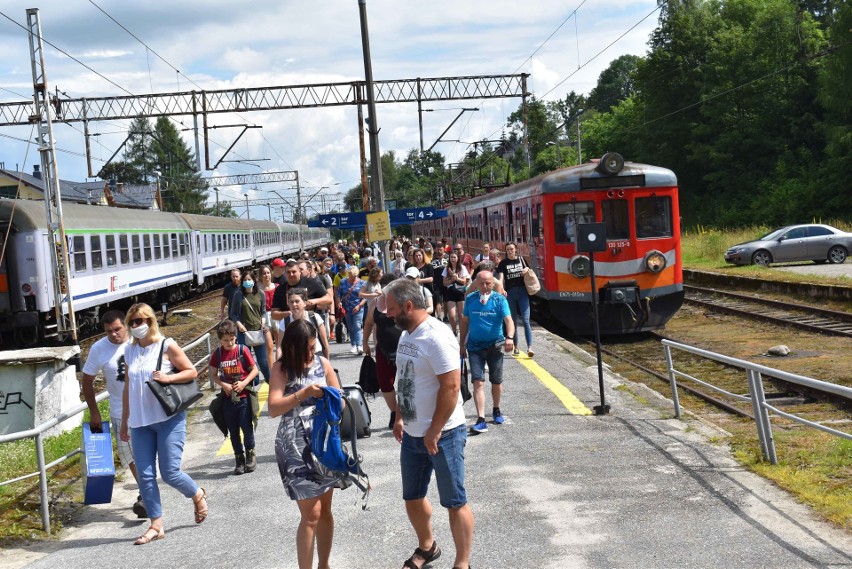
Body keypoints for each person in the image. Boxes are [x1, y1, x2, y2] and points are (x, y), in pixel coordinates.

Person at [382, 278, 473, 569]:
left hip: (443, 434)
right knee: (412, 497)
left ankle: (462, 562)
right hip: (412, 433)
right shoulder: (408, 334)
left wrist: (434, 430)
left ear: (409, 306)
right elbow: (404, 379)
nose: (388, 314)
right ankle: (428, 547)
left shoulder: (437, 336)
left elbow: (451, 387)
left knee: (454, 500)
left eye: (392, 308)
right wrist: (399, 417)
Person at [119, 303, 207, 545]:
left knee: (170, 473)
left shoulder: (166, 345)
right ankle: (156, 525)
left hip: (168, 419)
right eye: (132, 322)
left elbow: (191, 371)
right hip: (140, 422)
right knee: (145, 477)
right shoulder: (129, 351)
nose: (136, 326)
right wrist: (125, 419)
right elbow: (128, 386)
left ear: (151, 321)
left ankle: (197, 493)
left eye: (140, 321)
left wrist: (169, 377)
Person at [268, 318, 350, 569]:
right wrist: (303, 394)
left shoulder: (322, 363)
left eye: (313, 347)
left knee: (325, 511)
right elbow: (273, 408)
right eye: (307, 348)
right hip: (295, 446)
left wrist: (332, 397)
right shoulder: (281, 369)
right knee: (311, 515)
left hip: (323, 443)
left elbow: (343, 401)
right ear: (292, 347)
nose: (311, 353)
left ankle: (324, 564)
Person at [82, 310, 146, 518]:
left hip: (146, 407)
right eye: (109, 331)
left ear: (126, 326)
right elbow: (87, 381)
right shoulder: (99, 348)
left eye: (117, 329)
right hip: (120, 413)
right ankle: (145, 494)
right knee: (130, 456)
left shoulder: (139, 341)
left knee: (147, 454)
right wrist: (94, 412)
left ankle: (147, 494)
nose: (114, 334)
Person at [459, 270, 515, 433]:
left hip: (495, 345)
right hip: (475, 347)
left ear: (493, 283)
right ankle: (481, 418)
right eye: (481, 283)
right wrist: (461, 344)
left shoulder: (499, 300)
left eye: (488, 283)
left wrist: (509, 337)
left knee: (496, 381)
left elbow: (509, 320)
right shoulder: (470, 299)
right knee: (478, 382)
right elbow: (465, 323)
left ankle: (496, 409)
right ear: (475, 284)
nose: (485, 287)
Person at [209, 320, 259, 475]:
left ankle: (250, 454)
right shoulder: (217, 354)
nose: (229, 343)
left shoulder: (242, 350)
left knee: (246, 426)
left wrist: (244, 383)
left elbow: (254, 370)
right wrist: (223, 385)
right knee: (233, 430)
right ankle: (239, 457)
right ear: (220, 340)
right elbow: (213, 375)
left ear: (235, 338)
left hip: (243, 397)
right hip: (227, 399)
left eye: (232, 339)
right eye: (225, 340)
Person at [362, 274, 402, 429]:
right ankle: (394, 412)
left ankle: (406, 413)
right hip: (383, 348)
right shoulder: (375, 303)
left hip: (404, 348)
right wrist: (365, 343)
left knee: (407, 382)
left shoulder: (403, 302)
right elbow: (368, 323)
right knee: (385, 383)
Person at [229, 269, 272, 383]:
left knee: (263, 361)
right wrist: (239, 325)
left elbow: (263, 311)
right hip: (244, 333)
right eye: (245, 280)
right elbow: (233, 314)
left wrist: (263, 323)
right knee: (248, 361)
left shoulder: (260, 293)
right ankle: (254, 382)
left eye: (249, 279)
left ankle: (270, 381)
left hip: (258, 331)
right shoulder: (238, 294)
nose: (247, 282)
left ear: (254, 280)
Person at [497, 242, 534, 357]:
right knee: (513, 321)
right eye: (508, 249)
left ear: (516, 249)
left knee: (526, 320)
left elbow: (528, 268)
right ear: (506, 251)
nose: (510, 251)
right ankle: (516, 346)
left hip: (523, 292)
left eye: (512, 249)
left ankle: (530, 347)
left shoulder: (521, 260)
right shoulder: (503, 263)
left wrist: (526, 269)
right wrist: (501, 288)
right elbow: (501, 277)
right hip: (510, 293)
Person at [278, 287, 330, 361]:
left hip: (315, 357)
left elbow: (325, 344)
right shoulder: (285, 322)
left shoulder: (315, 317)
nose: (294, 304)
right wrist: (278, 365)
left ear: (304, 303)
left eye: (297, 301)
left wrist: (327, 363)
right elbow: (279, 347)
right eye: (291, 302)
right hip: (295, 359)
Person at [337, 265, 366, 354]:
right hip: (347, 308)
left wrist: (359, 305)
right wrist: (339, 302)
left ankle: (359, 345)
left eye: (354, 276)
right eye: (350, 276)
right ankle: (353, 345)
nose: (352, 278)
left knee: (357, 325)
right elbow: (338, 294)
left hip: (358, 307)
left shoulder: (362, 283)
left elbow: (365, 297)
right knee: (350, 327)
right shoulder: (343, 282)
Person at [442, 251, 471, 336]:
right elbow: (444, 283)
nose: (453, 259)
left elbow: (464, 282)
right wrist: (452, 279)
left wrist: (456, 278)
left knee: (461, 315)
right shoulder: (446, 269)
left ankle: (463, 332)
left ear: (458, 258)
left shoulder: (462, 268)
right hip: (450, 293)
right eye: (451, 257)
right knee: (451, 315)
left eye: (454, 257)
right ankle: (454, 330)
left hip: (460, 292)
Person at [258, 263, 278, 363]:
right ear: (261, 276)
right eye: (264, 273)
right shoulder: (258, 290)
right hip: (265, 318)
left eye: (268, 273)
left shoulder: (277, 287)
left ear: (271, 274)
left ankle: (281, 369)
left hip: (277, 315)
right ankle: (271, 374)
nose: (266, 275)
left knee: (279, 345)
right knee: (269, 347)